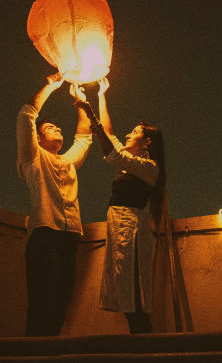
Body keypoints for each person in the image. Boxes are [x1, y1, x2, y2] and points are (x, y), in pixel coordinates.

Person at [75, 77, 166, 334]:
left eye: (136, 132)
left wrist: (89, 111)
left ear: (148, 143)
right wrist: (102, 94)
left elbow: (110, 149)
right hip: (122, 230)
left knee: (134, 296)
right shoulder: (132, 163)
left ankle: (146, 351)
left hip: (132, 233)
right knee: (128, 295)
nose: (129, 133)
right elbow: (111, 135)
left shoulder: (149, 168)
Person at [16, 72, 92, 336]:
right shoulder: (33, 157)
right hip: (45, 237)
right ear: (37, 138)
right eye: (50, 128)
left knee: (60, 307)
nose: (58, 128)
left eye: (58, 127)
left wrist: (82, 104)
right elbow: (27, 115)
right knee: (43, 305)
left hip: (70, 239)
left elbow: (84, 137)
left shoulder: (68, 161)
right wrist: (50, 86)